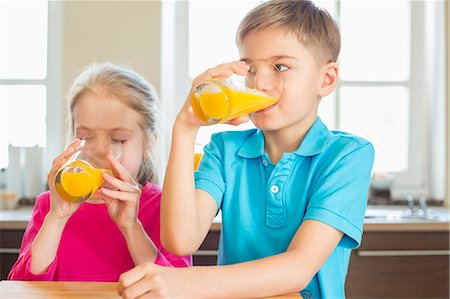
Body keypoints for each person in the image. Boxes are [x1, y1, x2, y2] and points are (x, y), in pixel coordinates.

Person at [118, 0, 374, 298]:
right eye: (250, 68)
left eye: (280, 67)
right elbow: (180, 241)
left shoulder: (347, 156)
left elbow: (298, 270)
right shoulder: (224, 150)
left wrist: (185, 283)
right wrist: (185, 128)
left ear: (325, 79)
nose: (259, 83)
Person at [8, 63, 191, 282]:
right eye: (86, 137)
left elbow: (179, 289)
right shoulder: (50, 206)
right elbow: (22, 288)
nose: (100, 151)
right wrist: (55, 219)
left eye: (118, 139)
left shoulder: (166, 208)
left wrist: (132, 228)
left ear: (149, 143)